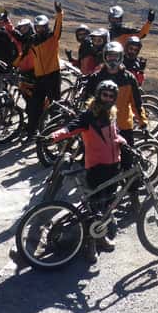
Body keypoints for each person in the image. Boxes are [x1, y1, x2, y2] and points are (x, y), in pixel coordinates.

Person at [49, 79, 127, 254]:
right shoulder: (89, 115)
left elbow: (115, 135)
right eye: (104, 95)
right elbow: (71, 127)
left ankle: (101, 237)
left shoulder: (112, 114)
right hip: (96, 168)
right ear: (98, 95)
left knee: (106, 205)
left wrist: (122, 141)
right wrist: (54, 136)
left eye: (111, 96)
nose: (107, 98)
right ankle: (90, 245)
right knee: (94, 208)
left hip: (113, 166)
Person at [85, 41, 146, 212]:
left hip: (124, 127)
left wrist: (142, 121)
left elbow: (137, 103)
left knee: (129, 165)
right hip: (102, 130)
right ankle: (100, 207)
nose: (112, 60)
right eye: (109, 56)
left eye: (115, 56)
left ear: (121, 58)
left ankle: (133, 197)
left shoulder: (128, 78)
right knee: (102, 169)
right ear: (104, 57)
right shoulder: (96, 78)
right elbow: (87, 103)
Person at [26, 1, 64, 141]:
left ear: (46, 27)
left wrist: (59, 14)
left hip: (53, 75)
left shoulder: (52, 38)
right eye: (37, 27)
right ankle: (31, 133)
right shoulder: (33, 40)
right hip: (39, 77)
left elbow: (58, 28)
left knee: (55, 106)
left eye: (42, 27)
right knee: (35, 105)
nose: (39, 30)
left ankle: (58, 135)